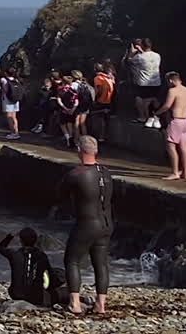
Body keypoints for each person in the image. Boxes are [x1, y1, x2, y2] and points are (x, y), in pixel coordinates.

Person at [59, 135, 113, 315]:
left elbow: (61, 196)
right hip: (106, 223)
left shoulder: (76, 174)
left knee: (72, 260)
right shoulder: (106, 172)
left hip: (87, 223)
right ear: (96, 150)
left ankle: (74, 303)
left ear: (79, 151)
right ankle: (101, 305)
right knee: (101, 263)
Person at [0, 228, 66, 307]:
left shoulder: (14, 254)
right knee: (62, 291)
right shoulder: (41, 256)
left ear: (21, 241)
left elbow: (1, 247)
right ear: (36, 240)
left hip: (15, 294)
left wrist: (10, 236)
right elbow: (51, 277)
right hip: (36, 298)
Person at [154, 72, 186, 180]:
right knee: (185, 147)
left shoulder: (172, 91)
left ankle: (174, 172)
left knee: (170, 146)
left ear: (170, 80)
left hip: (176, 120)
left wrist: (156, 113)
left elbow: (167, 105)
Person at [128, 39, 163, 126]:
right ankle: (156, 118)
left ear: (142, 46)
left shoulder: (139, 57)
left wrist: (132, 52)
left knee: (140, 99)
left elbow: (130, 61)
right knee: (154, 99)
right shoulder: (157, 55)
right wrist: (141, 51)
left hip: (144, 83)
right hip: (156, 82)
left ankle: (143, 117)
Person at [91, 64, 116, 142]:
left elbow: (99, 89)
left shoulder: (98, 78)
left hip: (100, 101)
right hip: (108, 100)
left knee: (98, 119)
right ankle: (103, 137)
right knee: (105, 119)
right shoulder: (109, 78)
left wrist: (96, 99)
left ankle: (98, 137)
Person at [71, 70, 95, 139]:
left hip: (77, 105)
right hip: (86, 105)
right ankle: (85, 139)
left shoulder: (73, 85)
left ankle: (77, 139)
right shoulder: (85, 84)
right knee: (83, 123)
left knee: (76, 123)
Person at [0, 68, 22, 140]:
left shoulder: (4, 80)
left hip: (7, 99)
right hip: (16, 100)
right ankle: (16, 132)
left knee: (9, 116)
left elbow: (5, 90)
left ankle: (12, 132)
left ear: (6, 73)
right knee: (14, 117)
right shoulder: (16, 80)